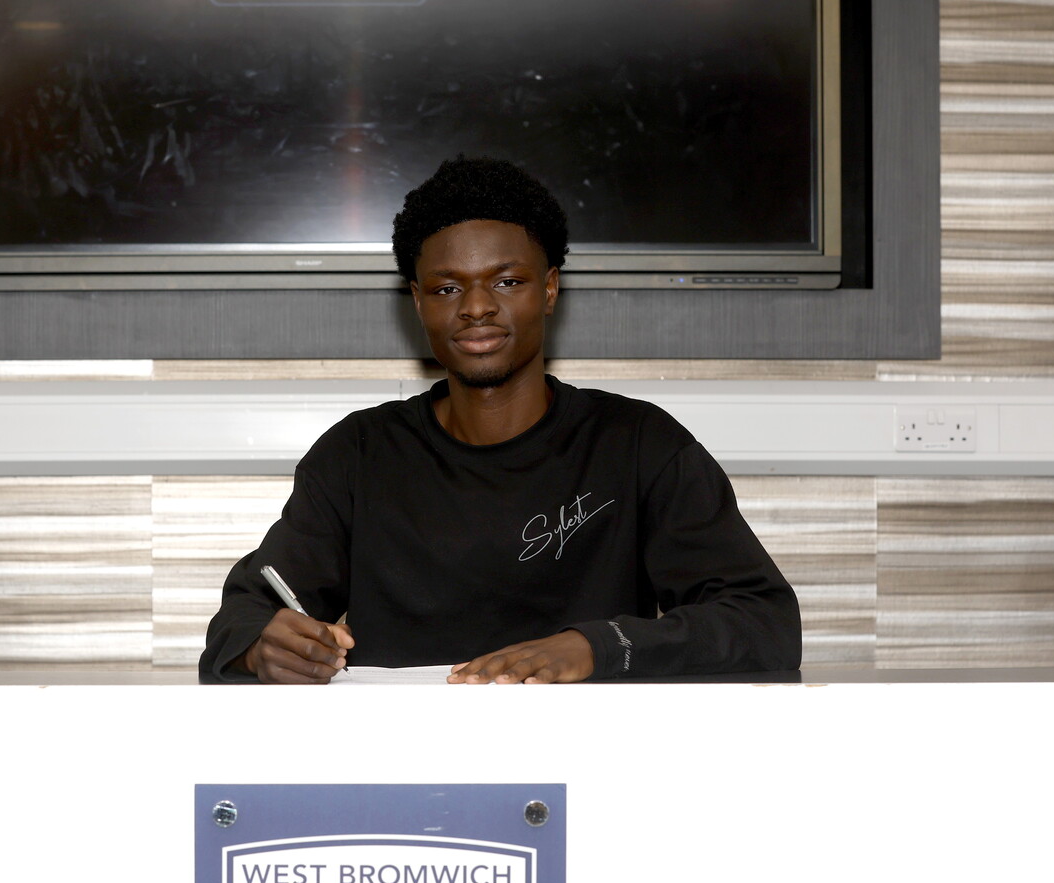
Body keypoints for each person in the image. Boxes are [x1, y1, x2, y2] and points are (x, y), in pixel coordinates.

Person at [201, 157, 800, 684]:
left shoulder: (637, 444)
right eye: (446, 288)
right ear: (417, 301)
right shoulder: (359, 453)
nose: (477, 307)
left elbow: (762, 622)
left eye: (507, 281)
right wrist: (262, 648)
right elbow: (247, 613)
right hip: (401, 762)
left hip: (593, 764)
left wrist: (597, 647)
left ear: (549, 289)